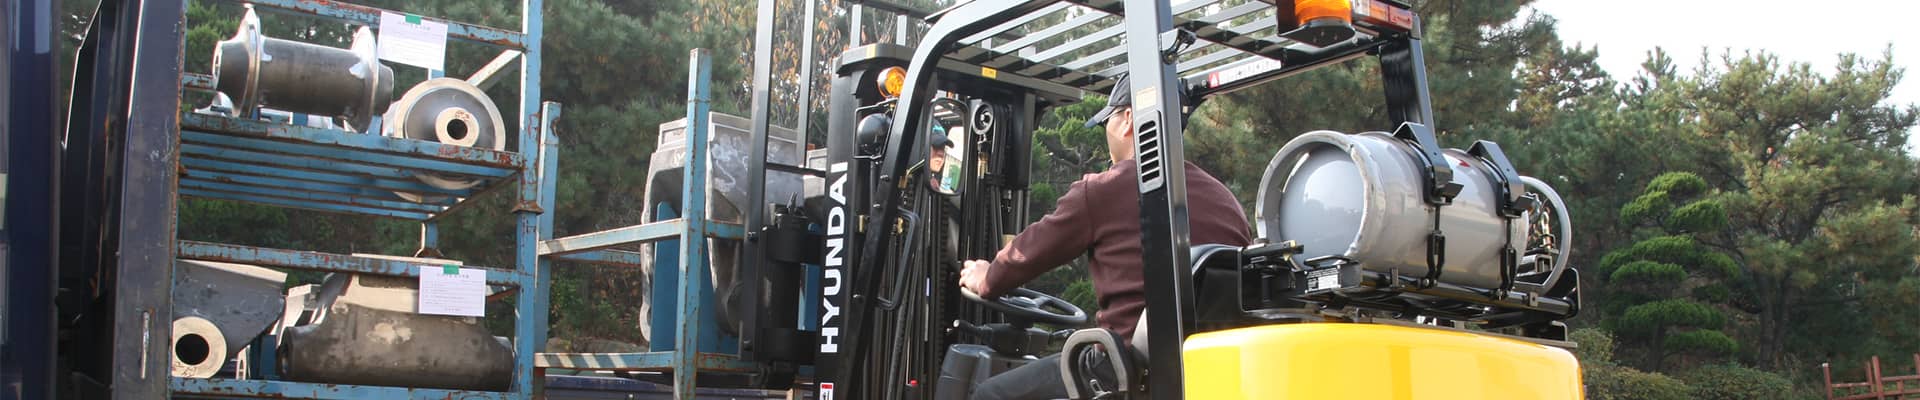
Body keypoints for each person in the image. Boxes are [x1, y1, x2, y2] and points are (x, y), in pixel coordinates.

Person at [956, 75, 1252, 400]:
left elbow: (1026, 254)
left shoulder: (1103, 190)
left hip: (1122, 371)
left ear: (1127, 120)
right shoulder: (1226, 200)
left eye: (1107, 121)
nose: (1107, 132)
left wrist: (986, 276)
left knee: (988, 394)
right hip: (1201, 373)